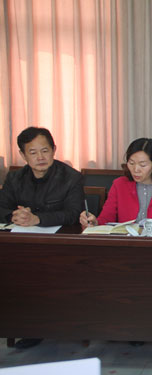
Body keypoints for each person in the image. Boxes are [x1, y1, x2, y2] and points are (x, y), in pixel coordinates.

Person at [0, 126, 84, 349]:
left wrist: (37, 219)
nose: (40, 157)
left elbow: (73, 213)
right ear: (23, 154)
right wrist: (13, 215)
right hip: (22, 246)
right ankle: (27, 327)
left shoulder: (71, 178)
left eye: (45, 151)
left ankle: (49, 327)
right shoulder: (15, 178)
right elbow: (2, 207)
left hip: (60, 247)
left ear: (54, 150)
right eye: (33, 152)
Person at [80, 138, 152, 229]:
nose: (136, 170)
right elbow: (106, 218)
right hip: (126, 243)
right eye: (131, 163)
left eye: (142, 165)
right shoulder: (119, 185)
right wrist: (94, 222)